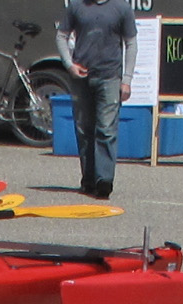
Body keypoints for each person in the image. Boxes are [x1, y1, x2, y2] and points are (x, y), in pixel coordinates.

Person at [59, 0, 138, 200]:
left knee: (106, 128)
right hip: (81, 77)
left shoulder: (121, 7)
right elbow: (61, 36)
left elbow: (131, 43)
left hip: (110, 76)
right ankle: (89, 179)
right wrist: (69, 65)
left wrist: (126, 80)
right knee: (84, 128)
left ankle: (104, 181)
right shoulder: (77, 6)